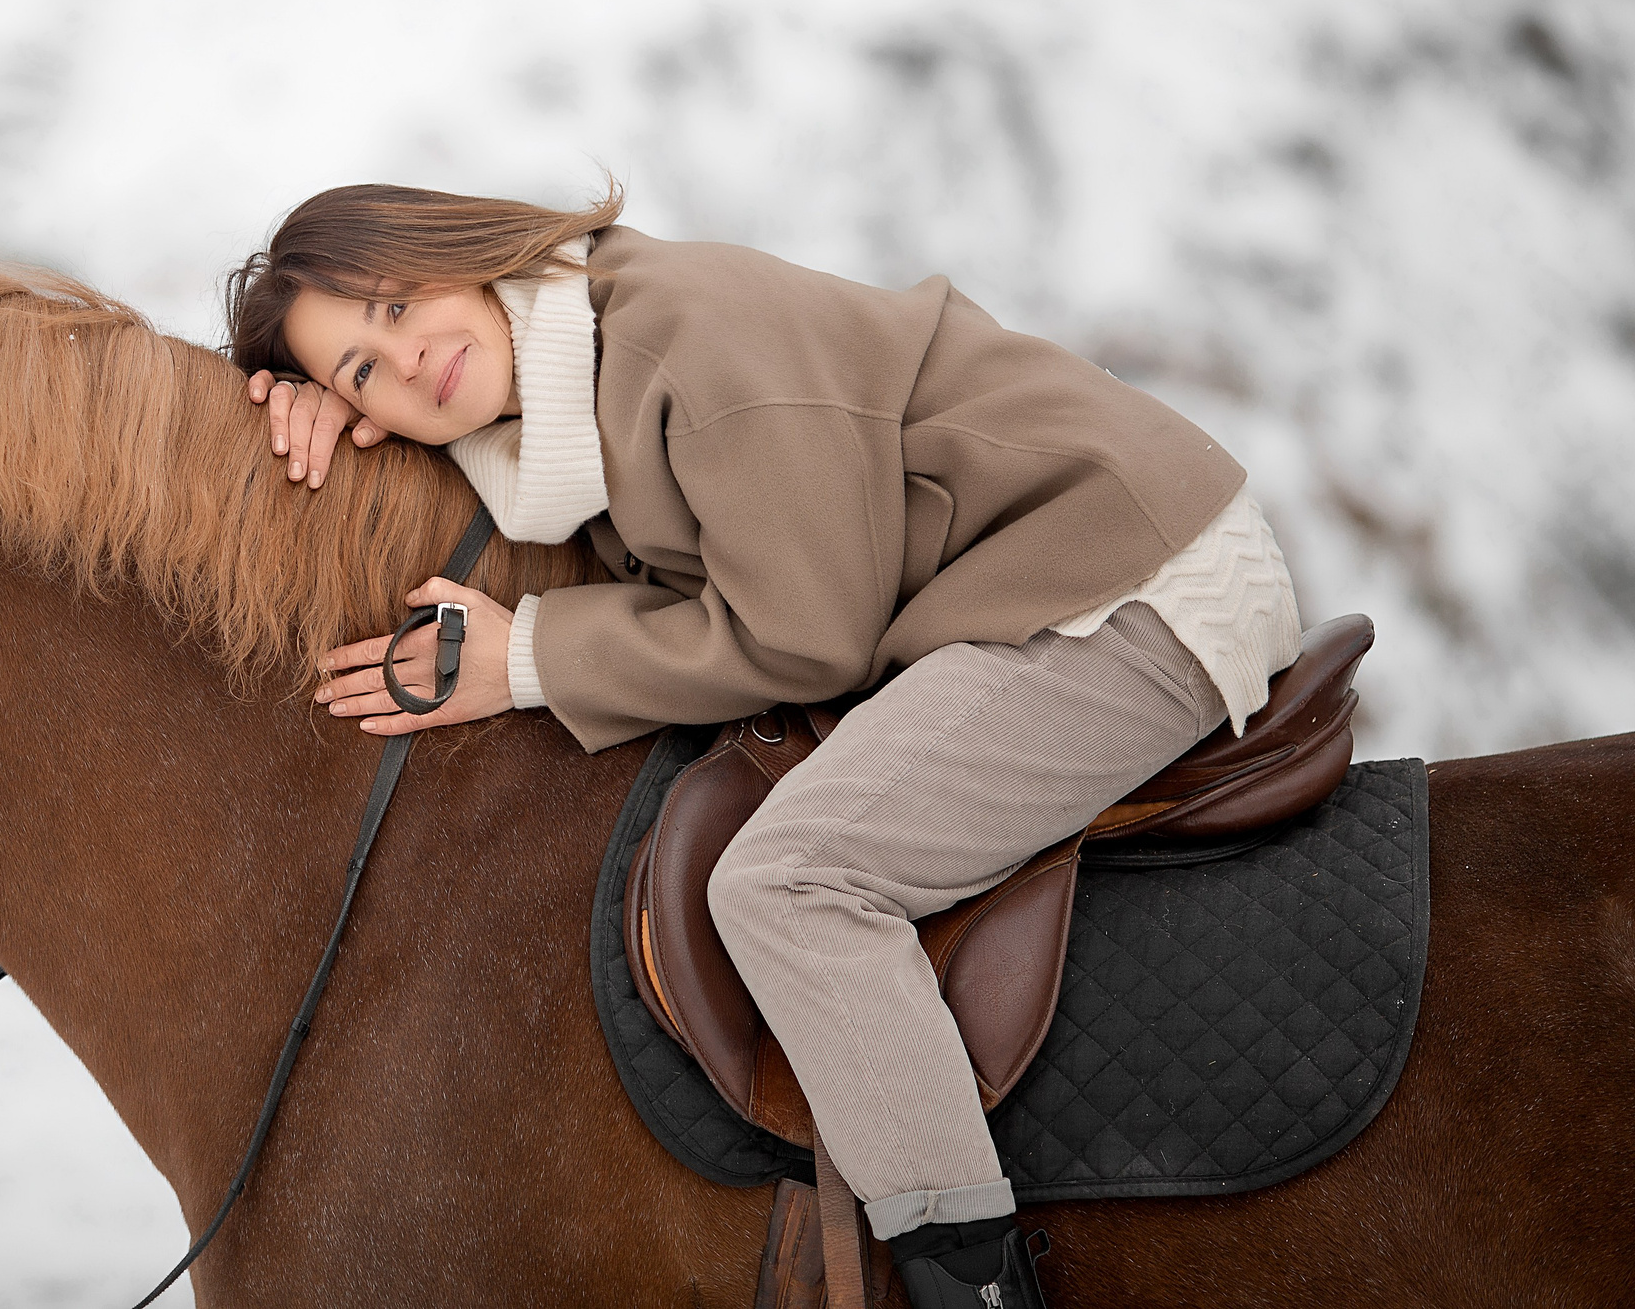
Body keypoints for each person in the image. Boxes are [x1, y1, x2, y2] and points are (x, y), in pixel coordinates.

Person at [223, 183, 1302, 1309]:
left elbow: (804, 634)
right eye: (357, 373)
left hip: (1123, 578)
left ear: (461, 251)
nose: (403, 365)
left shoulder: (682, 335)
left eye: (395, 309)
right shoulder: (560, 401)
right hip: (1037, 586)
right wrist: (313, 422)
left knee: (792, 882)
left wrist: (530, 659)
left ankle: (968, 1285)